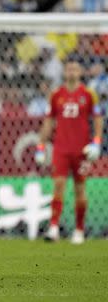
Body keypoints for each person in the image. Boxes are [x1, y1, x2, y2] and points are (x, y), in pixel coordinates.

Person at [36, 58, 103, 244]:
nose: (72, 72)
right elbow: (48, 122)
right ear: (65, 72)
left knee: (80, 189)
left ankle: (79, 230)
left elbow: (98, 119)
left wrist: (97, 142)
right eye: (69, 69)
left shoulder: (89, 94)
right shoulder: (56, 95)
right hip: (61, 148)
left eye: (75, 68)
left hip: (81, 150)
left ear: (80, 72)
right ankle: (54, 227)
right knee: (58, 186)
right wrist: (41, 145)